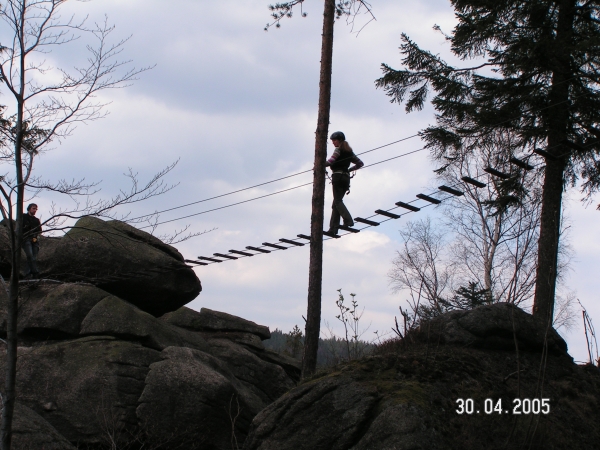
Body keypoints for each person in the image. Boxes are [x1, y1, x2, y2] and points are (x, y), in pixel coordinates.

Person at [325, 131, 363, 235]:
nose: (333, 143)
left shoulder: (338, 149)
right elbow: (360, 163)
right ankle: (333, 229)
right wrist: (350, 170)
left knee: (337, 202)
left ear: (340, 140)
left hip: (337, 177)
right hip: (346, 178)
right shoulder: (349, 152)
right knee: (336, 203)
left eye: (334, 140)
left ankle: (348, 220)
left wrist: (321, 164)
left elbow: (331, 161)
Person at [22, 203, 42, 279]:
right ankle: (35, 272)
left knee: (33, 258)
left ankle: (27, 274)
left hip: (35, 240)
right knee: (30, 256)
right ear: (29, 208)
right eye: (33, 208)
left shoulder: (36, 220)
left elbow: (39, 231)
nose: (35, 210)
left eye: (36, 209)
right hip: (26, 239)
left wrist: (35, 236)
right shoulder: (23, 217)